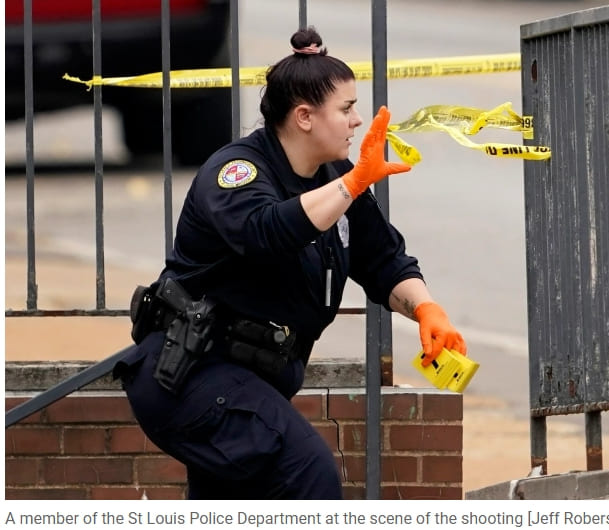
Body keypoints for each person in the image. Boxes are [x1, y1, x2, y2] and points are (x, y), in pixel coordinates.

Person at [114, 26, 467, 500]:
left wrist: (425, 309)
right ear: (304, 116)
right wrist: (353, 184)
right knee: (308, 474)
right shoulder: (235, 171)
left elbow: (383, 258)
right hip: (192, 376)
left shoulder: (337, 178)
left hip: (248, 383)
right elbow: (266, 231)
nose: (357, 121)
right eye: (345, 109)